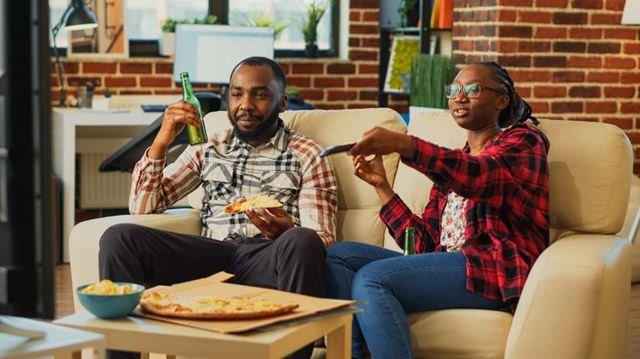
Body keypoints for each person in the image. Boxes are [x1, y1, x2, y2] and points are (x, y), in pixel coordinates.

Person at [99, 56, 337, 359]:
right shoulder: (210, 147)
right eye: (237, 94)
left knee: (302, 239)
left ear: (282, 103)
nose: (246, 105)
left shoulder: (308, 153)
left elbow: (323, 236)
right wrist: (163, 139)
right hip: (212, 255)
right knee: (119, 237)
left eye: (260, 95)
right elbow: (143, 206)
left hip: (269, 258)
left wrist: (287, 230)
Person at [325, 62, 550, 359]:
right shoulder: (452, 169)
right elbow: (423, 245)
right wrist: (382, 187)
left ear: (502, 100)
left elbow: (481, 176)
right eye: (454, 90)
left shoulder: (523, 143)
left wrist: (404, 144)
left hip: (493, 268)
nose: (459, 97)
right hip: (449, 264)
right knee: (339, 256)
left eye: (473, 89)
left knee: (372, 278)